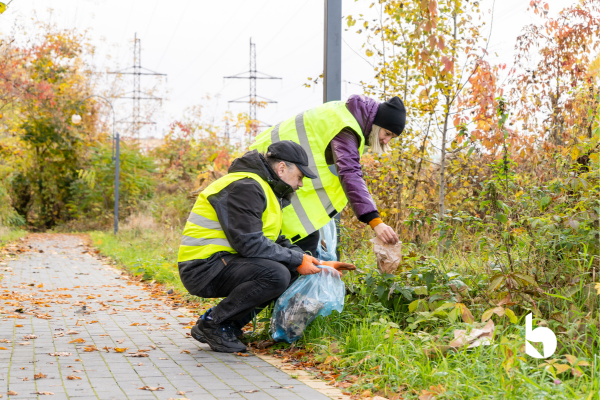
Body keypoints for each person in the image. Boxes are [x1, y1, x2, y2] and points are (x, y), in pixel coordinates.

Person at [177, 141, 354, 353]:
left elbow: (274, 240)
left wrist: (319, 264)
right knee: (276, 274)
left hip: (220, 262)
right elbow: (249, 243)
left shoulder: (263, 189)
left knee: (287, 268)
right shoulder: (246, 186)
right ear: (281, 168)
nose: (301, 184)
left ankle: (228, 325)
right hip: (202, 267)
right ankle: (214, 324)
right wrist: (297, 260)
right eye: (299, 177)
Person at [249, 95, 406, 256]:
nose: (386, 141)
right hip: (271, 173)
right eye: (387, 133)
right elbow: (350, 172)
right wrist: (375, 221)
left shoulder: (342, 113)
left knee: (299, 247)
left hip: (268, 169)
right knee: (298, 249)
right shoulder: (347, 127)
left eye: (391, 138)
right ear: (376, 123)